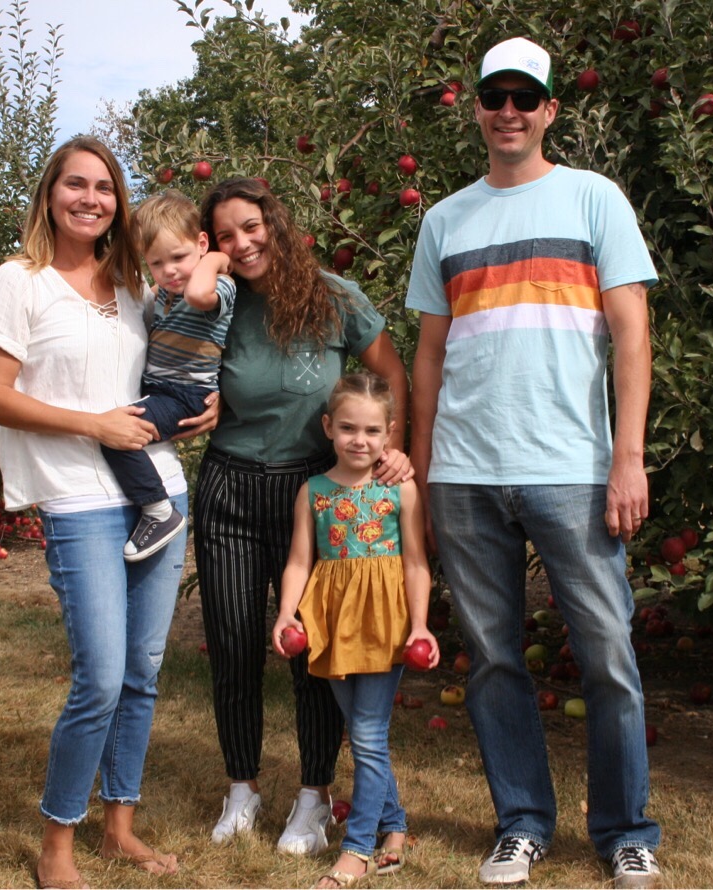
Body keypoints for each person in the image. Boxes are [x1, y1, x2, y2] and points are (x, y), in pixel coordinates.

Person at [406, 37, 663, 889]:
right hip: (466, 474)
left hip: (574, 469)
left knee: (608, 657)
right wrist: (422, 465)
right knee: (494, 663)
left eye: (526, 97)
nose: (508, 110)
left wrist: (628, 457)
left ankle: (625, 830)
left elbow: (632, 333)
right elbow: (429, 356)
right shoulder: (443, 220)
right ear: (476, 108)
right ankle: (521, 823)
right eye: (494, 96)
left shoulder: (596, 201)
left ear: (551, 109)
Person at [0, 136, 216, 890]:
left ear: (119, 201)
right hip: (79, 501)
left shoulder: (137, 283)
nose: (90, 198)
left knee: (143, 673)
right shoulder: (21, 281)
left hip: (158, 494)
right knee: (101, 678)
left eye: (104, 187)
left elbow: (186, 351)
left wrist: (200, 411)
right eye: (75, 184)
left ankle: (120, 829)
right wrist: (95, 425)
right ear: (50, 194)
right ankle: (58, 845)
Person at [194, 177, 412, 855]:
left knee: (314, 652)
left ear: (275, 225)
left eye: (251, 227)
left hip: (314, 496)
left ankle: (314, 796)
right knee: (234, 645)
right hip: (229, 489)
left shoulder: (332, 297)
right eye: (225, 235)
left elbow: (390, 373)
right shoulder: (218, 308)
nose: (243, 243)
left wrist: (392, 449)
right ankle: (242, 788)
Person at [271, 372, 439, 888]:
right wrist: (286, 613)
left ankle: (358, 848)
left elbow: (415, 563)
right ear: (328, 427)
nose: (359, 440)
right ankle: (395, 826)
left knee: (367, 735)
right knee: (365, 737)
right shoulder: (314, 492)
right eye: (347, 428)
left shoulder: (401, 489)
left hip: (386, 623)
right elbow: (300, 561)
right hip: (334, 623)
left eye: (371, 430)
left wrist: (420, 625)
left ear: (389, 433)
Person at [99, 189, 235, 562]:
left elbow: (197, 295)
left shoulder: (219, 286)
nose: (170, 270)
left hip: (185, 394)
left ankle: (158, 512)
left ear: (201, 243)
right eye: (157, 263)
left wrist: (217, 259)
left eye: (179, 257)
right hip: (161, 388)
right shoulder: (166, 293)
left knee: (118, 434)